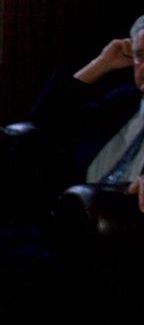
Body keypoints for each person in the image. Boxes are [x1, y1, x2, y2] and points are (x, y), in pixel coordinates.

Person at [32, 15, 144, 211]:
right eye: (141, 55)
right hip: (66, 216)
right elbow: (43, 121)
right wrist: (102, 63)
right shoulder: (123, 101)